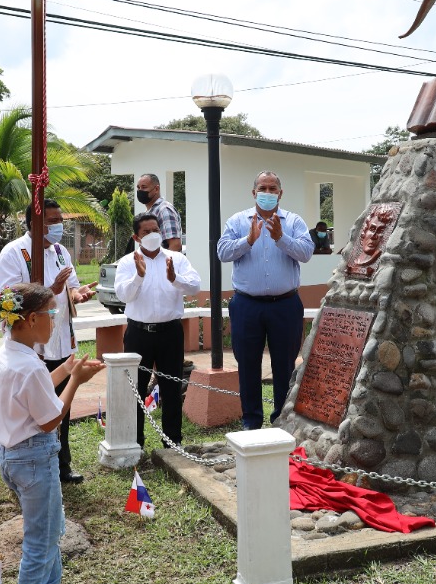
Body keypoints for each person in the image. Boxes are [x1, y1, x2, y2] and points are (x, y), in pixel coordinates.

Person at [0, 282, 104, 584]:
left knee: (50, 531)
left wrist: (64, 370)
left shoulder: (10, 354)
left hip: (15, 457)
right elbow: (51, 418)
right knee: (39, 544)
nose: (55, 320)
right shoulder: (28, 365)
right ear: (30, 319)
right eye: (51, 314)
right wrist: (76, 381)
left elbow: (33, 393)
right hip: (34, 459)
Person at [0, 199, 97, 483]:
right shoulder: (15, 252)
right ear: (34, 223)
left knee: (62, 406)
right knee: (35, 408)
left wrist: (78, 294)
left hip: (60, 340)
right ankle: (29, 461)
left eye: (59, 220)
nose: (58, 226)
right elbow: (9, 300)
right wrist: (51, 289)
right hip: (32, 343)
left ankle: (62, 464)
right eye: (51, 221)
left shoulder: (61, 252)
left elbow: (71, 289)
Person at [217, 171, 314, 429]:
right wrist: (248, 240)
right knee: (248, 364)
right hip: (247, 305)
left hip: (285, 305)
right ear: (254, 192)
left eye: (273, 189)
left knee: (285, 365)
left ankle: (281, 421)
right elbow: (222, 252)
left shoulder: (293, 222)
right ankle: (251, 422)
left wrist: (281, 238)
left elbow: (306, 252)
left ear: (280, 193)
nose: (268, 193)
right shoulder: (238, 221)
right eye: (263, 188)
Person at [113, 213, 201, 448]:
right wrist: (138, 277)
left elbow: (195, 286)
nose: (153, 235)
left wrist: (175, 278)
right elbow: (123, 295)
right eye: (146, 232)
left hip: (170, 333)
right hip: (138, 333)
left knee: (171, 388)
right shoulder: (127, 262)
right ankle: (135, 443)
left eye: (156, 230)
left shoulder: (176, 259)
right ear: (136, 237)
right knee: (136, 388)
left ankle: (172, 442)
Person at [136, 173, 183, 252]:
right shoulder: (149, 212)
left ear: (156, 189)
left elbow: (175, 245)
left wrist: (163, 261)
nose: (140, 191)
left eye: (144, 187)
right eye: (138, 187)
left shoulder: (164, 210)